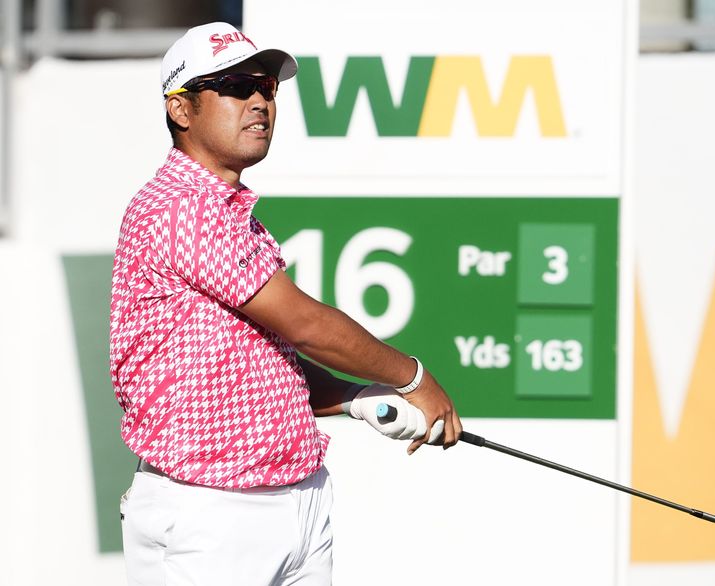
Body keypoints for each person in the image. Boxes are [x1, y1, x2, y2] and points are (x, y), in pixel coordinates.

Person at [109, 21, 462, 586]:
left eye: (267, 87)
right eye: (235, 86)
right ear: (182, 110)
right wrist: (410, 377)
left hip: (292, 508)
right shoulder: (183, 207)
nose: (259, 101)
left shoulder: (228, 211)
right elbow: (304, 325)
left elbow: (254, 365)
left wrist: (351, 398)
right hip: (211, 516)